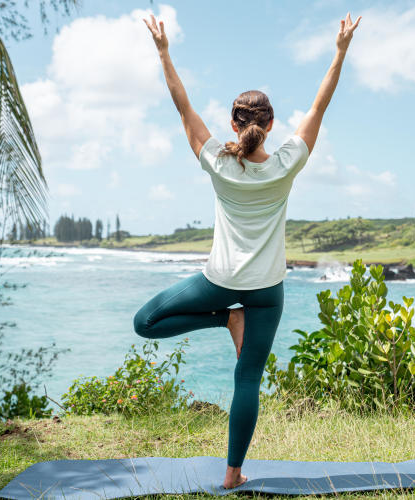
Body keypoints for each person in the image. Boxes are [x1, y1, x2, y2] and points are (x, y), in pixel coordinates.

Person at [136, 11, 361, 489]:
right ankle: (232, 475)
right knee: (248, 380)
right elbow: (320, 108)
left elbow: (183, 109)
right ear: (272, 124)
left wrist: (164, 53)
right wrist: (339, 51)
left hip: (219, 282)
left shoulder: (219, 163)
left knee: (145, 323)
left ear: (233, 124)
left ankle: (223, 318)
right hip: (267, 293)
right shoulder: (286, 164)